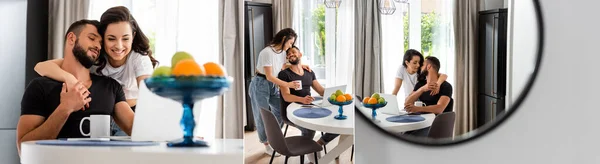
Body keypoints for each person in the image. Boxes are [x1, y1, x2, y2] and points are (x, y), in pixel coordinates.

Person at [34, 6, 157, 136]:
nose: (119, 46)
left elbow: (147, 96)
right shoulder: (95, 56)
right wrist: (70, 79)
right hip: (103, 112)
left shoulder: (138, 59)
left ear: (133, 36)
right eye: (111, 39)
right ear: (103, 39)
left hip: (130, 111)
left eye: (125, 39)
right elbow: (40, 67)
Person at [16, 20, 135, 153]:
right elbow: (23, 147)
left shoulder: (111, 87)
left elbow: (136, 128)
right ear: (72, 38)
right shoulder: (39, 87)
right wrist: (65, 109)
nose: (98, 46)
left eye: (101, 43)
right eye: (92, 38)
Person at [278, 46, 338, 162]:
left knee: (336, 123)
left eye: (293, 52)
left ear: (300, 54)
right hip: (290, 113)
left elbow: (321, 91)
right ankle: (311, 153)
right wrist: (302, 99)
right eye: (288, 54)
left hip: (309, 109)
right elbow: (286, 96)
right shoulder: (284, 74)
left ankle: (318, 144)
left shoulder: (309, 72)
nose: (290, 55)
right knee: (309, 130)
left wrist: (335, 95)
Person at [404, 56, 454, 136]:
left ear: (429, 66)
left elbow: (440, 108)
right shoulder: (420, 84)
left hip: (435, 125)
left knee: (407, 138)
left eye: (422, 65)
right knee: (401, 135)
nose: (420, 67)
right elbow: (407, 103)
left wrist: (418, 109)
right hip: (420, 122)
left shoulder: (445, 86)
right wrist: (422, 89)